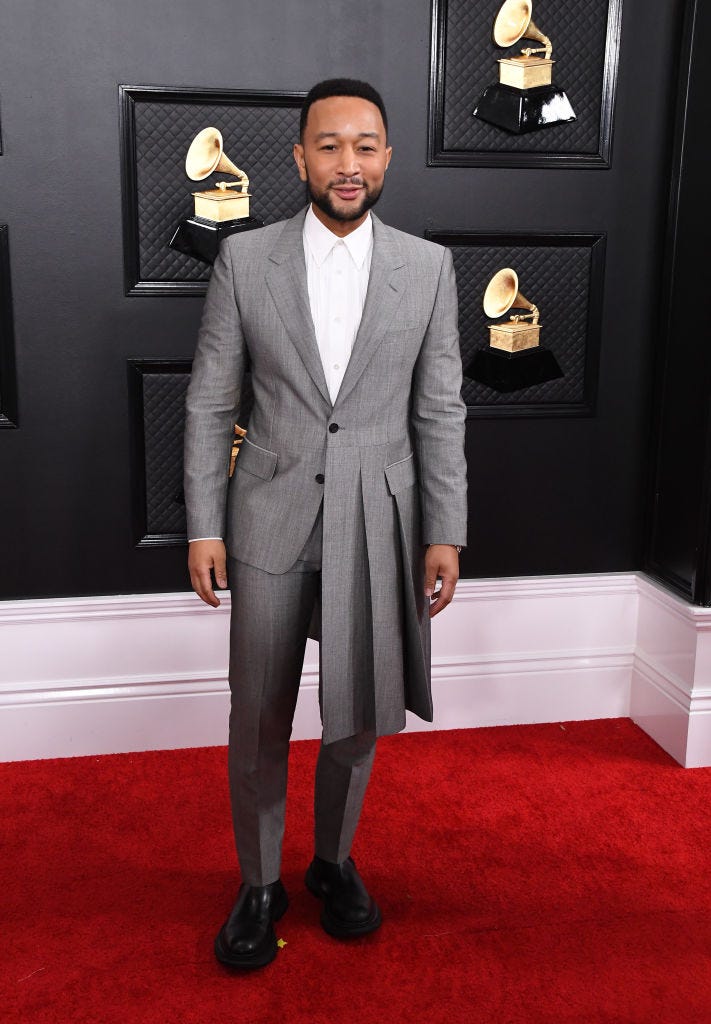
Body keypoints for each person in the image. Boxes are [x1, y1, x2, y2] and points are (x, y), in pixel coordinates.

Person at [184, 78, 467, 970]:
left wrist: (445, 530)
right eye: (331, 146)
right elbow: (207, 404)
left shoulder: (427, 267)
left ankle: (332, 862)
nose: (350, 164)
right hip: (265, 518)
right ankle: (258, 883)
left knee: (355, 717)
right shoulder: (244, 260)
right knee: (257, 716)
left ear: (386, 157)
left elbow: (441, 411)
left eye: (367, 146)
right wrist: (202, 526)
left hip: (378, 521)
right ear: (300, 157)